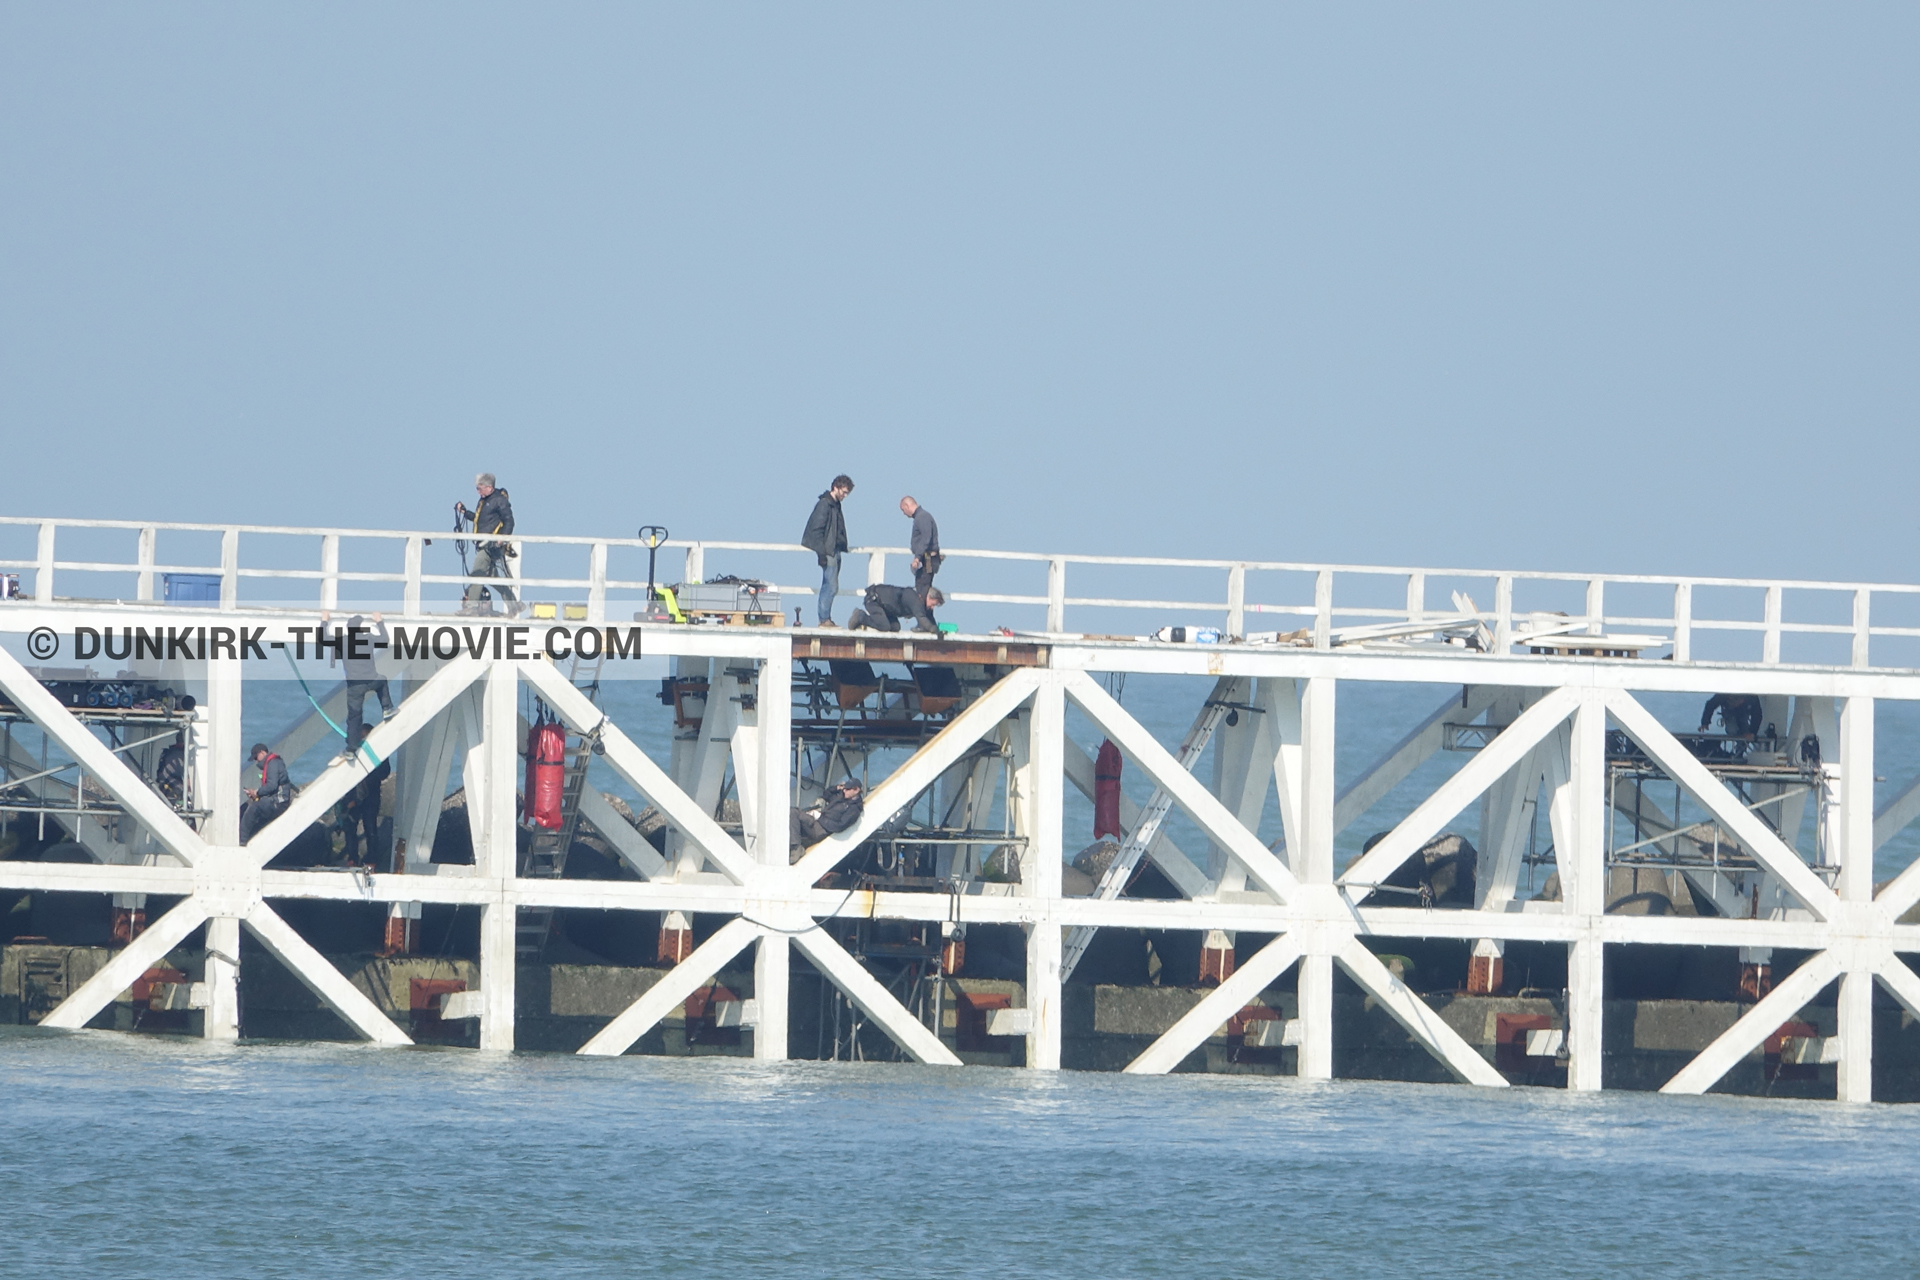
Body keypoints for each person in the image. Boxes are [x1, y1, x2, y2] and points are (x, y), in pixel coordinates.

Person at [319, 611, 392, 751]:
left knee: (354, 718)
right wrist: (379, 621)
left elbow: (323, 638)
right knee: (382, 680)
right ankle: (387, 708)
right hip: (372, 679)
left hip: (354, 685)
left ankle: (351, 749)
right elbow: (384, 639)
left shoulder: (342, 640)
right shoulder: (368, 638)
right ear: (360, 628)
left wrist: (324, 620)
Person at [456, 472, 518, 615]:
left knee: (477, 573)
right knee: (492, 577)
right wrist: (465, 512)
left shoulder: (499, 500)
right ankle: (514, 605)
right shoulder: (485, 500)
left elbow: (509, 521)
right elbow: (480, 520)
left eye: (480, 488)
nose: (478, 491)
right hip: (483, 544)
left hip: (490, 546)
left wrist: (502, 538)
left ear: (489, 487)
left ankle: (471, 608)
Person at [800, 475, 853, 626]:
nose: (845, 496)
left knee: (829, 585)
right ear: (835, 487)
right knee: (831, 586)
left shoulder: (834, 504)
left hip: (834, 550)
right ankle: (824, 619)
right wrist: (821, 553)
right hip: (828, 551)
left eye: (846, 493)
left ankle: (825, 618)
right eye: (843, 492)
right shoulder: (825, 504)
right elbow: (816, 530)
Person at [339, 727, 392, 869]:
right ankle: (352, 858)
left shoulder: (378, 752)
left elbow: (385, 772)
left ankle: (372, 858)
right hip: (353, 794)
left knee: (370, 828)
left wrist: (368, 770)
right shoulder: (352, 751)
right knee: (350, 827)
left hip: (370, 795)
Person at [789, 780, 864, 862]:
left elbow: (839, 826)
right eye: (844, 788)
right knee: (792, 814)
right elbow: (826, 794)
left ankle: (796, 848)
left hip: (822, 830)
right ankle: (793, 846)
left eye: (848, 789)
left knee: (793, 812)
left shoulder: (854, 809)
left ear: (856, 790)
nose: (844, 790)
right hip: (818, 823)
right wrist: (837, 787)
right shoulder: (841, 797)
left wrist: (820, 817)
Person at [240, 743, 291, 844]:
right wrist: (255, 794)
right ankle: (247, 838)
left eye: (256, 757)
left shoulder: (273, 763)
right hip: (274, 800)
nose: (256, 761)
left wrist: (257, 792)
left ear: (263, 753)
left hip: (279, 802)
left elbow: (272, 786)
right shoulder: (271, 763)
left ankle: (242, 841)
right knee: (248, 810)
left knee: (254, 808)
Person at [848, 584, 943, 633]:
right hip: (874, 600)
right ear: (929, 597)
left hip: (888, 609)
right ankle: (860, 616)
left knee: (895, 627)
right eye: (933, 604)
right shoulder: (915, 600)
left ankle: (874, 620)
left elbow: (927, 617)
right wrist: (933, 629)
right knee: (884, 626)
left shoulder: (921, 600)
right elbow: (921, 617)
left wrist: (936, 629)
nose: (932, 607)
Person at [900, 496, 941, 599]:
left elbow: (925, 538)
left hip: (927, 558)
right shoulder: (922, 517)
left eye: (903, 510)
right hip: (927, 558)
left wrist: (917, 558)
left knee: (922, 590)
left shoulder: (922, 517)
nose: (903, 513)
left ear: (907, 505)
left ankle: (924, 613)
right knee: (922, 587)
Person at [1698, 693, 1764, 739]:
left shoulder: (1752, 698)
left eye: (1735, 702)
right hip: (1729, 712)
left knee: (1745, 731)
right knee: (1732, 729)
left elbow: (1757, 715)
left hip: (1744, 713)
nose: (1734, 704)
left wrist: (1752, 732)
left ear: (1742, 700)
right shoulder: (1722, 695)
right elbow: (1710, 704)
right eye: (1731, 701)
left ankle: (1740, 751)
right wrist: (1705, 722)